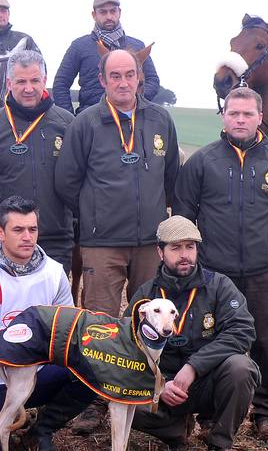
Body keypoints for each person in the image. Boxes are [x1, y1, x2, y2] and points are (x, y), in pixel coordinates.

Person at [24, 216, 258, 451]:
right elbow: (125, 351)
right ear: (160, 252)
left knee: (241, 368)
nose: (184, 255)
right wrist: (160, 386)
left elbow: (242, 331)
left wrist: (194, 367)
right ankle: (175, 430)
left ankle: (218, 445)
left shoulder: (219, 286)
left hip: (205, 380)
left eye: (190, 247)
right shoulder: (146, 296)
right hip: (161, 387)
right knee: (122, 394)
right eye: (175, 248)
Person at [173, 87, 268, 443]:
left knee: (267, 344)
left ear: (260, 117)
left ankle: (267, 414)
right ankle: (209, 414)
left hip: (266, 274)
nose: (240, 120)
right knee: (210, 343)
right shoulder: (202, 161)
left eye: (248, 114)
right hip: (215, 276)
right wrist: (197, 270)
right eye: (234, 113)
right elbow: (184, 219)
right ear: (224, 116)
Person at [55, 49, 179, 315]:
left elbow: (170, 176)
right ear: (102, 80)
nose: (123, 83)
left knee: (149, 320)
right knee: (100, 324)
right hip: (102, 243)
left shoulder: (161, 119)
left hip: (150, 243)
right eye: (115, 76)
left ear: (139, 77)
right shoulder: (85, 123)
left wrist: (153, 210)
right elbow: (66, 181)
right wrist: (94, 213)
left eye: (129, 75)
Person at [0, 197, 74, 451]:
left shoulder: (55, 272)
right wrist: (6, 353)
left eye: (32, 229)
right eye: (18, 230)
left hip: (40, 373)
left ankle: (41, 430)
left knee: (88, 368)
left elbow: (68, 330)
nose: (27, 237)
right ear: (0, 233)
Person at [0, 49, 75, 268]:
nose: (29, 88)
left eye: (35, 81)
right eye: (21, 81)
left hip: (56, 239)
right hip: (5, 241)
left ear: (45, 81)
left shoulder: (67, 123)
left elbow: (78, 180)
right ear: (9, 83)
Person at [51, 0, 160, 113]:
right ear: (94, 15)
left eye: (113, 11)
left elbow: (153, 80)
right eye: (103, 12)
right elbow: (61, 84)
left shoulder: (138, 46)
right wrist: (70, 119)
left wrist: (133, 101)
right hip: (91, 117)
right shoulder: (79, 46)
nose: (109, 16)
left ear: (119, 12)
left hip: (132, 116)